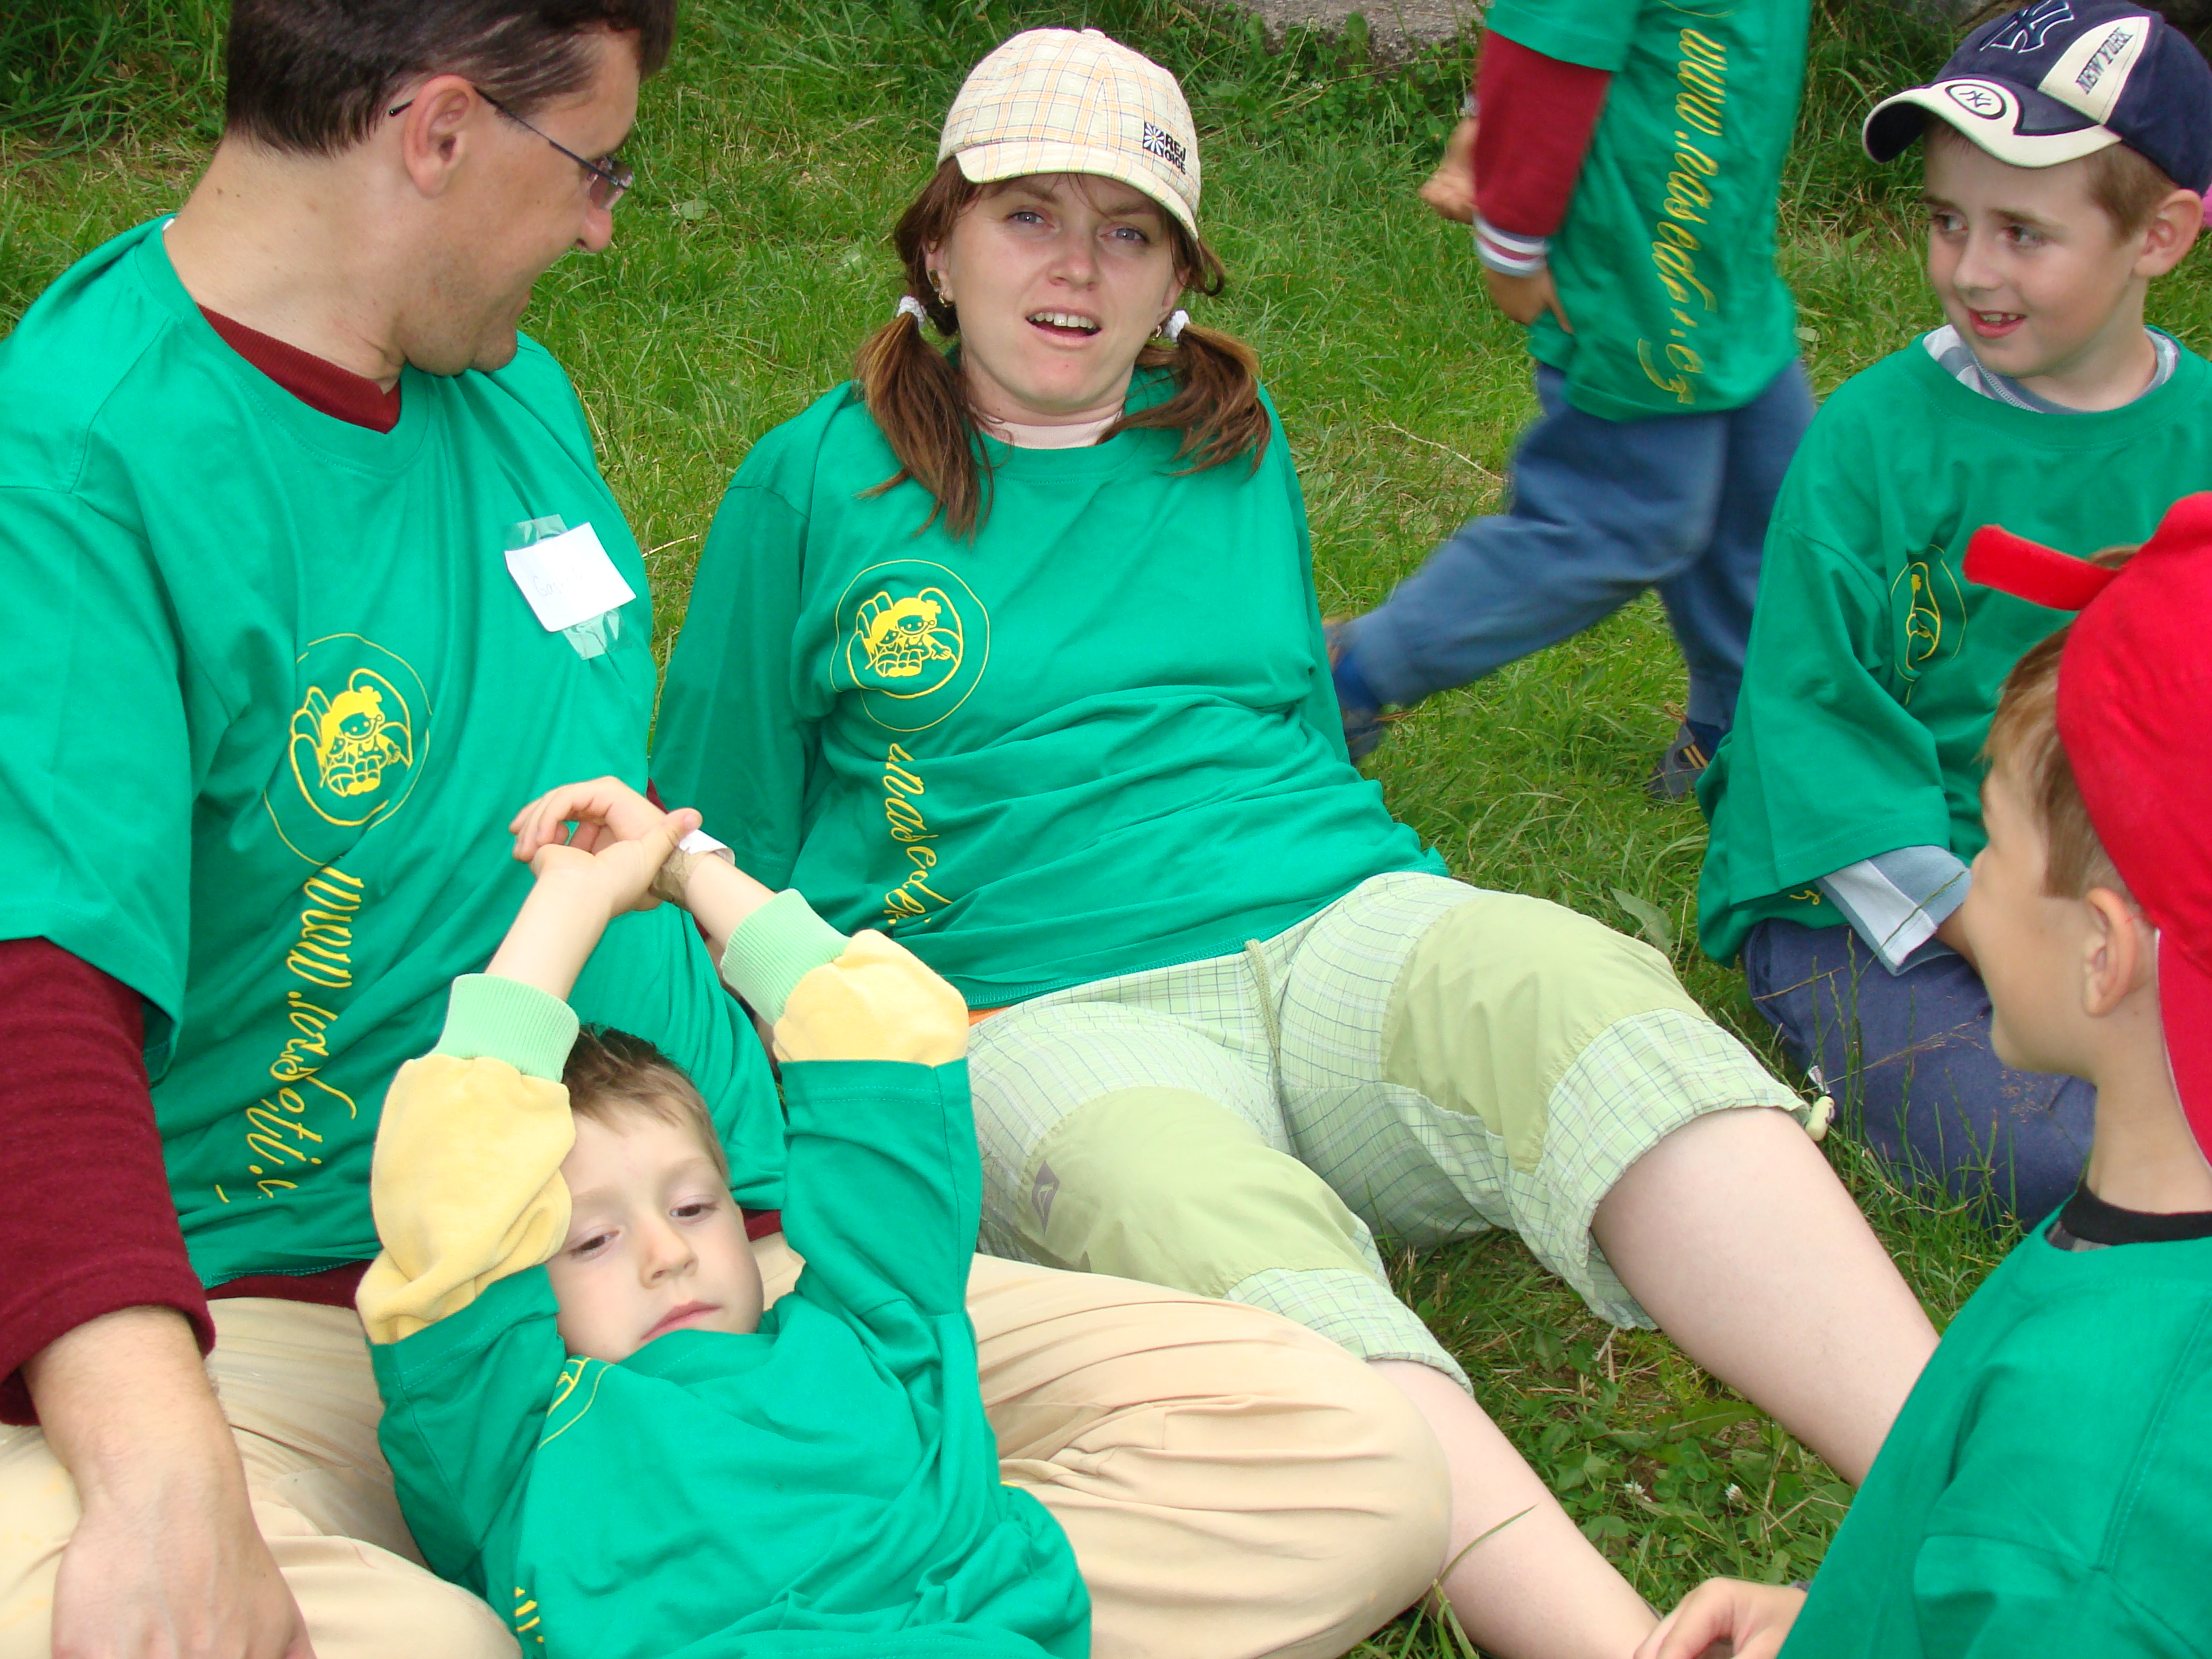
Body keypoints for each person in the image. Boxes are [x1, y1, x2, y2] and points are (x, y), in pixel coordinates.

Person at [0, 5, 1453, 1656]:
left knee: (1342, 1457)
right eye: (596, 165)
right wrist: (158, 1470)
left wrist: (744, 1217)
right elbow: (29, 1005)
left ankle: (734, 1597)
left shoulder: (504, 386)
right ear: (440, 131)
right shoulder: (79, 467)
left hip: (733, 1259)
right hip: (311, 1303)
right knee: (97, 1601)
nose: (603, 225)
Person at [654, 28, 1939, 1657]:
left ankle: (1984, 1517)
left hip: (1329, 915)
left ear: (1175, 278)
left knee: (1576, 992)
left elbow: (1282, 716)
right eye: (1027, 214)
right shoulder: (810, 485)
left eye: (1128, 230)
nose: (1076, 266)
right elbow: (720, 823)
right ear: (938, 244)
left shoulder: (1222, 435)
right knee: (1201, 1213)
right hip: (1031, 1003)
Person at [1640, 496, 2212, 1659]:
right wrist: (1848, 1617)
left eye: (1990, 841)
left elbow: (2060, 1588)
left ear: (2101, 952)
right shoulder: (2142, 1229)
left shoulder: (2078, 1531)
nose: (1970, 876)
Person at [360, 779, 1088, 1657]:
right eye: (592, 1240)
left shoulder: (876, 1333)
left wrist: (687, 867)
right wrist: (569, 902)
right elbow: (455, 1171)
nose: (667, 1252)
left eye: (695, 1206)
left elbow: (883, 1036)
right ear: (516, 1278)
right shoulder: (506, 1444)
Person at [1695, 0, 2212, 1224]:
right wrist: (2015, 937)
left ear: (2159, 235)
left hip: (2131, 890)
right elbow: (1811, 730)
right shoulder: (1871, 442)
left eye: (2023, 232)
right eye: (1945, 220)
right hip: (1879, 899)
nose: (1971, 271)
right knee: (2050, 1152)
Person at [1326, 0, 1816, 794]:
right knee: (1616, 521)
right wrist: (1512, 247)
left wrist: (1480, 121)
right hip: (1639, 289)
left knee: (1766, 500)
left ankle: (1733, 725)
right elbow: (1547, 42)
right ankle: (1353, 673)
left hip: (1727, 272)